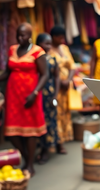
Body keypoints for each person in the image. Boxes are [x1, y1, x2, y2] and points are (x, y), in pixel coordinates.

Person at [0, 23, 48, 176]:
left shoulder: (38, 52)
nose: (20, 38)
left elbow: (45, 74)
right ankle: (26, 157)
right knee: (12, 132)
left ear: (30, 35)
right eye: (18, 35)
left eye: (24, 35)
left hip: (30, 94)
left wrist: (35, 92)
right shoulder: (12, 49)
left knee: (30, 132)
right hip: (13, 95)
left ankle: (30, 164)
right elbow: (7, 72)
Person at [48, 26, 75, 153]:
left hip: (65, 87)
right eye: (60, 37)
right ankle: (58, 142)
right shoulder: (48, 51)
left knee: (65, 112)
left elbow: (72, 67)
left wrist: (68, 80)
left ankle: (64, 138)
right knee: (56, 114)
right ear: (54, 37)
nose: (62, 40)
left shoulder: (64, 49)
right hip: (54, 88)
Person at [35, 33, 60, 165]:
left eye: (50, 43)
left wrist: (55, 95)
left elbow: (56, 77)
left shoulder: (52, 60)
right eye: (46, 43)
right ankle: (42, 147)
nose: (49, 46)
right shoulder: (34, 59)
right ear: (39, 44)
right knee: (39, 121)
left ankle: (48, 148)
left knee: (50, 120)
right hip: (37, 94)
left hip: (49, 94)